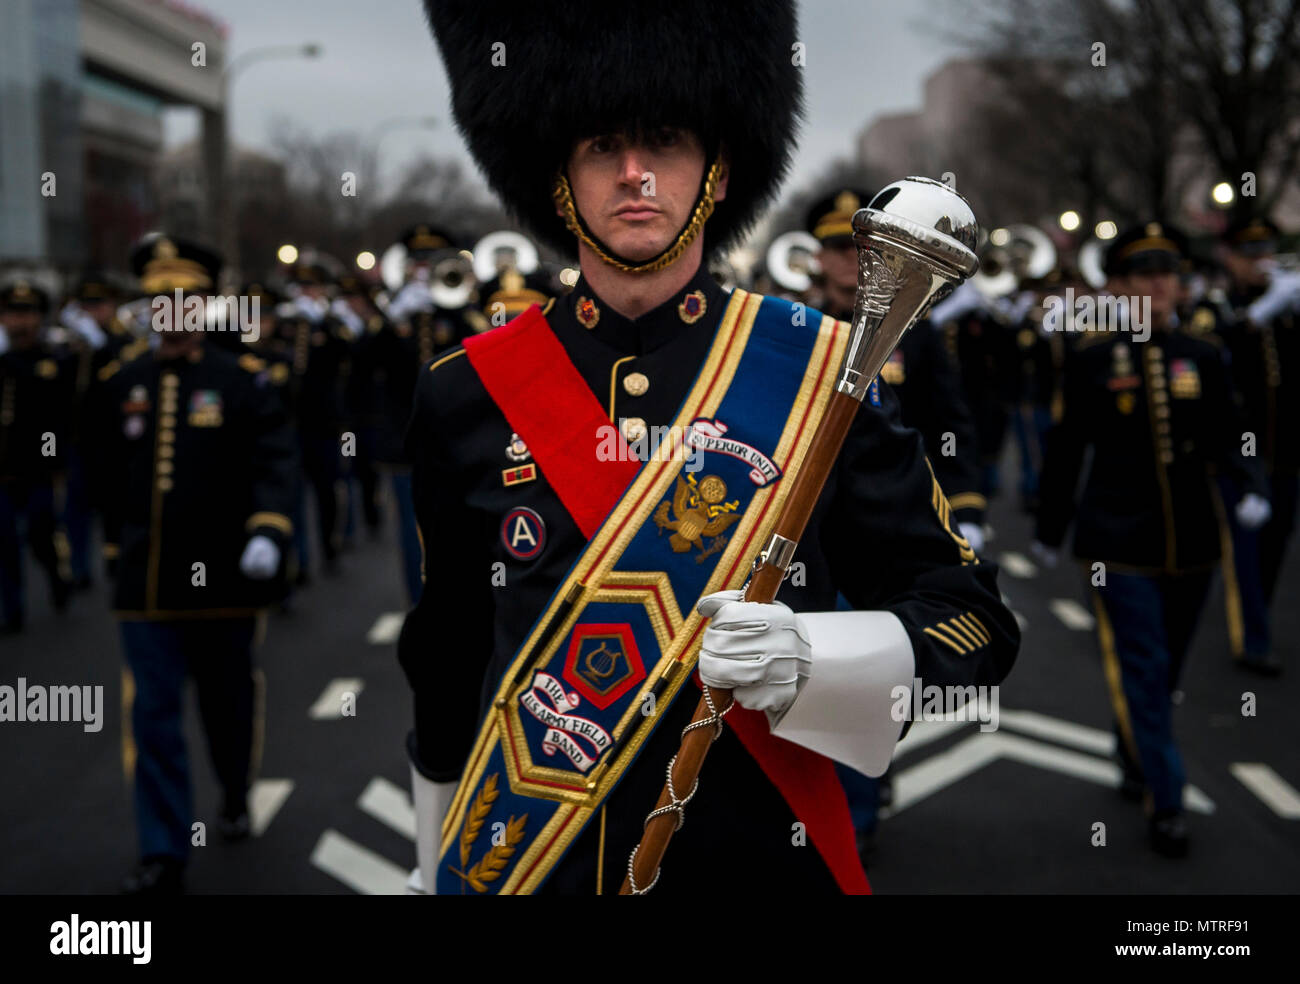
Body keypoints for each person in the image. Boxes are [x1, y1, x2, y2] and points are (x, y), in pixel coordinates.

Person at [397, 0, 1018, 896]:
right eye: (602, 145)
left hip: (756, 858)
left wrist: (816, 660)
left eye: (668, 141)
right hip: (533, 863)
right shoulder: (464, 389)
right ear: (559, 179)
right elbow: (447, 651)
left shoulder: (820, 371)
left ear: (720, 174)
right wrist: (433, 855)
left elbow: (971, 619)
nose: (637, 173)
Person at [1033, 222, 1271, 858]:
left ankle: (1133, 745)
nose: (1160, 283)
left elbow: (1233, 430)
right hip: (1117, 546)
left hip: (1193, 543)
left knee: (1164, 671)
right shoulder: (1092, 358)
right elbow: (1066, 448)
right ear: (1119, 287)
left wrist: (1248, 482)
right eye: (1144, 273)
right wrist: (1050, 530)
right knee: (1144, 666)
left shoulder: (1206, 353)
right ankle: (1167, 798)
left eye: (1169, 271)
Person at [88, 234, 298, 894]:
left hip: (225, 584)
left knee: (227, 707)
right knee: (151, 718)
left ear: (205, 307)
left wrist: (268, 530)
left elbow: (274, 463)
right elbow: (99, 471)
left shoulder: (240, 382)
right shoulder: (120, 382)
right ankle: (163, 849)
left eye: (185, 301)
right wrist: (114, 545)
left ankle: (235, 792)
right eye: (158, 302)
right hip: (146, 586)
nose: (171, 313)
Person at [1203, 217, 1299, 675]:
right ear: (1231, 259)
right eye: (1251, 252)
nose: (1262, 260)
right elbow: (1212, 351)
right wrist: (1260, 312)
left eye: (1268, 249)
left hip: (1285, 450)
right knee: (1244, 545)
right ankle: (1252, 640)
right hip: (1240, 451)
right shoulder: (1220, 304)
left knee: (1275, 542)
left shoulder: (1288, 307)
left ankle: (1255, 616)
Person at [0, 280, 75, 631]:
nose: (20, 322)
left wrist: (53, 460)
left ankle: (57, 577)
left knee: (39, 534)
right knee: (4, 543)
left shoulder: (52, 361)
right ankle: (12, 610)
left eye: (27, 313)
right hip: (4, 468)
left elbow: (57, 417)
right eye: (14, 313)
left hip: (39, 467)